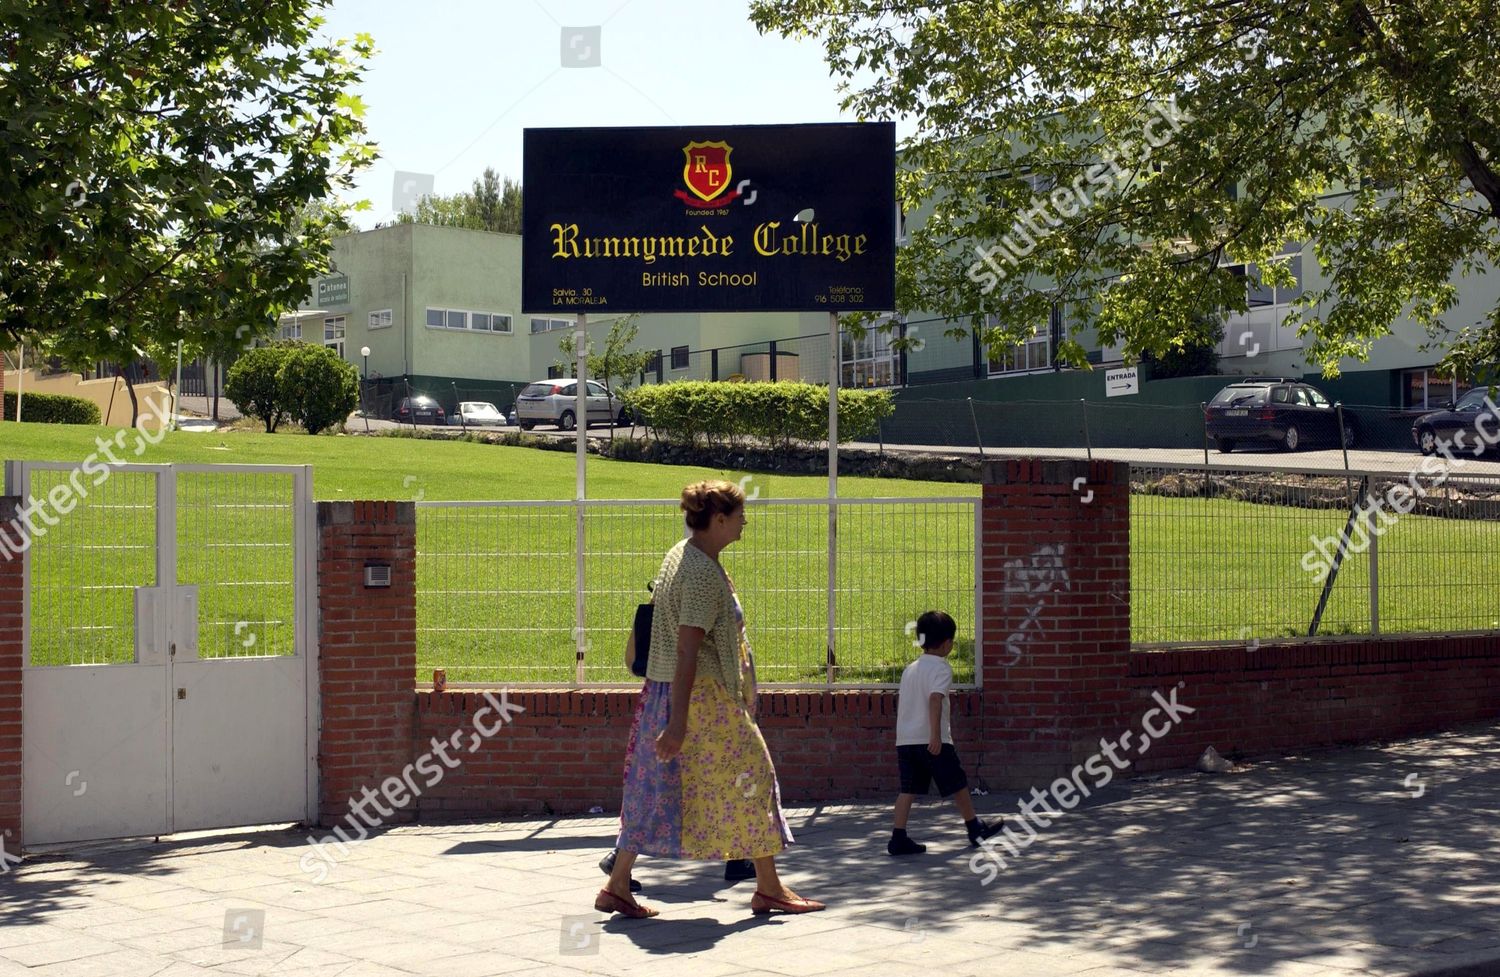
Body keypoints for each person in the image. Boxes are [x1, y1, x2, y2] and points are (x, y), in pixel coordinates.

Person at [596, 479, 822, 918]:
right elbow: (687, 649)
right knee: (755, 776)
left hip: (669, 692)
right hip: (705, 700)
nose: (745, 522)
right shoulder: (699, 572)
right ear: (718, 520)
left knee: (654, 786)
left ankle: (618, 884)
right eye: (740, 516)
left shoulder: (682, 555)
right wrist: (679, 724)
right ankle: (769, 888)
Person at [887, 610, 1003, 856]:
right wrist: (936, 736)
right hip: (932, 739)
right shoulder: (941, 668)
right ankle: (974, 827)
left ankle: (898, 836)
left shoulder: (911, 669)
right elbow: (935, 700)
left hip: (906, 739)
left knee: (907, 788)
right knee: (957, 782)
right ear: (948, 642)